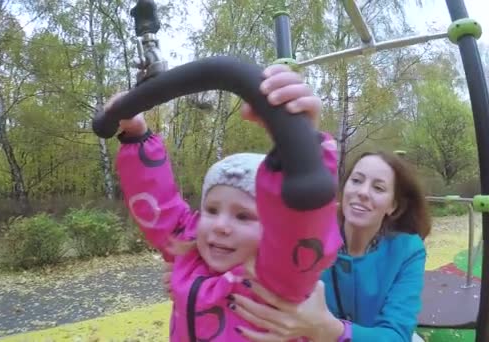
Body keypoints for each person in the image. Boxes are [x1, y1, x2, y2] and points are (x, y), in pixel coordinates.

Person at [110, 64, 343, 341]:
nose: (220, 225)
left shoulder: (276, 277)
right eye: (211, 210)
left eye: (243, 216)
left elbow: (301, 229)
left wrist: (299, 147)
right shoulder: (190, 252)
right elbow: (159, 207)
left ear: (273, 231)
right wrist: (137, 135)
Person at [225, 150, 433, 341]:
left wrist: (330, 328)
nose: (362, 192)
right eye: (357, 181)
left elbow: (396, 336)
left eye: (378, 188)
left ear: (393, 206)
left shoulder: (408, 250)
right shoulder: (311, 229)